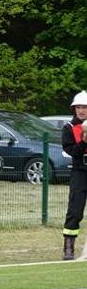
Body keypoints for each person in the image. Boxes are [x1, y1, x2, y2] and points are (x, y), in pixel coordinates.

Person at [60, 92, 87, 259]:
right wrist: (84, 141)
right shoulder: (68, 128)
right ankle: (68, 246)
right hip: (80, 172)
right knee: (75, 211)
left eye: (84, 107)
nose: (81, 111)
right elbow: (72, 151)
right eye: (78, 107)